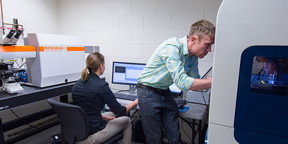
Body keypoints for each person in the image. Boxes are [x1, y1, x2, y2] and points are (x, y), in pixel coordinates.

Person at [137, 19, 215, 144]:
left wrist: (210, 81)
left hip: (164, 90)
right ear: (194, 40)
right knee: (154, 138)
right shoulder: (172, 47)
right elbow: (183, 84)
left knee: (174, 135)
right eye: (207, 44)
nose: (210, 50)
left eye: (211, 45)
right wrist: (213, 81)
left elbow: (194, 81)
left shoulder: (192, 56)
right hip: (147, 90)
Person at [72, 52, 138, 144]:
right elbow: (120, 110)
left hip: (77, 132)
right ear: (100, 66)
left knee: (110, 113)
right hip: (90, 136)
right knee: (127, 120)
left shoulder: (78, 83)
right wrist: (135, 102)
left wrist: (100, 116)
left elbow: (84, 110)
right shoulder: (101, 86)